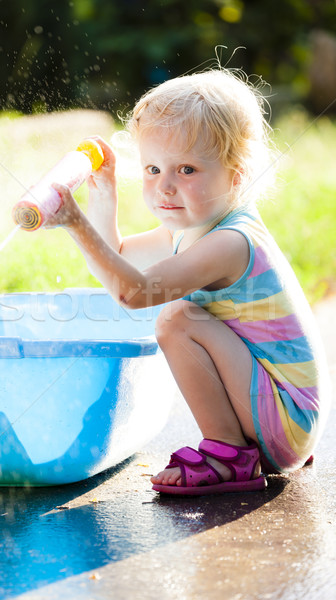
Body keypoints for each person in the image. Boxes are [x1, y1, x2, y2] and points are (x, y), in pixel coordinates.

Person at [45, 68, 331, 495]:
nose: (165, 187)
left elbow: (133, 292)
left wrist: (75, 224)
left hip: (287, 419)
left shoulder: (229, 243)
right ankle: (244, 442)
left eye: (187, 170)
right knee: (182, 315)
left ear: (236, 177)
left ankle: (228, 454)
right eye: (153, 168)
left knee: (178, 318)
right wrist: (104, 194)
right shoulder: (191, 229)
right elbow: (119, 260)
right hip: (285, 415)